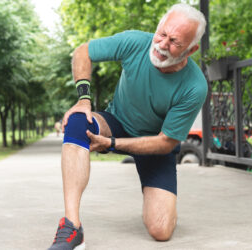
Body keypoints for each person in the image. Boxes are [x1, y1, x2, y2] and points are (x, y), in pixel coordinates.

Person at [48, 3, 207, 250]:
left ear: (191, 49)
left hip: (156, 144)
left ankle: (166, 205)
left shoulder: (194, 87)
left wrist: (111, 145)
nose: (162, 45)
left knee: (161, 231)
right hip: (117, 123)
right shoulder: (135, 42)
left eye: (174, 42)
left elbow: (166, 141)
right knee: (78, 122)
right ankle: (71, 226)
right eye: (162, 34)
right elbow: (83, 52)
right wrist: (83, 100)